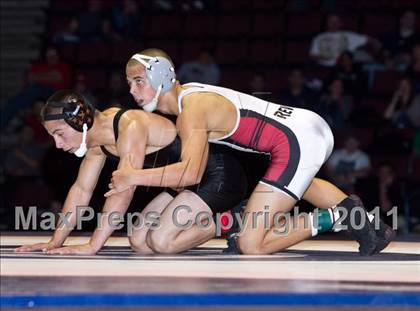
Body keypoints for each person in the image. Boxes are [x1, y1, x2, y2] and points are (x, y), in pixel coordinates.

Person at [107, 49, 394, 256]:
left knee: (250, 244)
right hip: (299, 132)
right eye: (130, 83)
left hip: (295, 139)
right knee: (298, 182)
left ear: (160, 77)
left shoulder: (191, 110)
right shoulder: (190, 99)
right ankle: (368, 224)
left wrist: (133, 176)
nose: (132, 90)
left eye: (138, 81)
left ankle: (333, 217)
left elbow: (189, 172)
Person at [15, 89, 248, 255]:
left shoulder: (130, 126)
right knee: (139, 241)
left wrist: (93, 246)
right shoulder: (98, 144)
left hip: (218, 175)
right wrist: (56, 241)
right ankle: (216, 221)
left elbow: (124, 190)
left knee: (161, 241)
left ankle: (228, 221)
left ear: (79, 123)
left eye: (60, 133)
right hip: (183, 185)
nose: (57, 144)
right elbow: (81, 190)